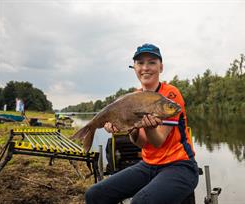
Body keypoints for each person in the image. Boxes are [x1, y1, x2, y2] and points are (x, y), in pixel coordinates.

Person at [85, 43, 199, 204]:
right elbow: (142, 143)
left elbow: (158, 141)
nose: (145, 67)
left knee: (140, 202)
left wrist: (150, 127)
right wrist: (126, 127)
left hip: (180, 166)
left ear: (161, 67)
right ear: (135, 67)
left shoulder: (170, 94)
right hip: (148, 165)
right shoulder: (134, 98)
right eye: (140, 63)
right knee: (94, 195)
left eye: (152, 62)